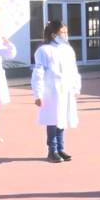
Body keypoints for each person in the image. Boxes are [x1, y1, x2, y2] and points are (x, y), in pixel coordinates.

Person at [32, 20, 81, 163]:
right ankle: (51, 150)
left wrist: (76, 87)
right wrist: (38, 94)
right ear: (53, 35)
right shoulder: (44, 50)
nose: (65, 35)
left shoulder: (67, 49)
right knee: (52, 120)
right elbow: (38, 73)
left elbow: (73, 70)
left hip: (66, 90)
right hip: (52, 90)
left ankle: (60, 148)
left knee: (62, 119)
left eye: (66, 32)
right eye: (62, 32)